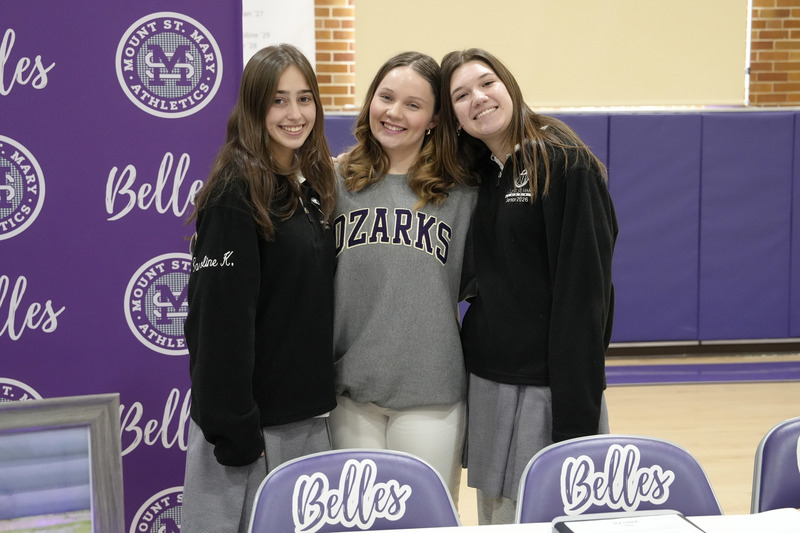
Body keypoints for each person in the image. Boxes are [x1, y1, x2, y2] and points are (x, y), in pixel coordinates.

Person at [438, 48, 619, 525]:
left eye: (487, 83)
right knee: (497, 517)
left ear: (509, 85)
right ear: (452, 116)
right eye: (460, 95)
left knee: (548, 515)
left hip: (547, 388)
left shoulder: (566, 164)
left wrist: (576, 418)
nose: (478, 98)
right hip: (490, 380)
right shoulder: (480, 174)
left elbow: (586, 298)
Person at [181, 44, 337, 533]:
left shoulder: (301, 184)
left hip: (304, 422)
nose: (295, 114)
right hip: (251, 436)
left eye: (305, 98)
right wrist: (237, 434)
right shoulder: (235, 192)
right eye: (278, 100)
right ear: (253, 107)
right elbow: (217, 323)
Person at [329, 51, 477, 503]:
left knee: (423, 521)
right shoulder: (332, 180)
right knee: (355, 523)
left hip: (430, 393)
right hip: (348, 392)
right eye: (386, 97)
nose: (394, 113)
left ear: (434, 118)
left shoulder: (463, 193)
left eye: (413, 105)